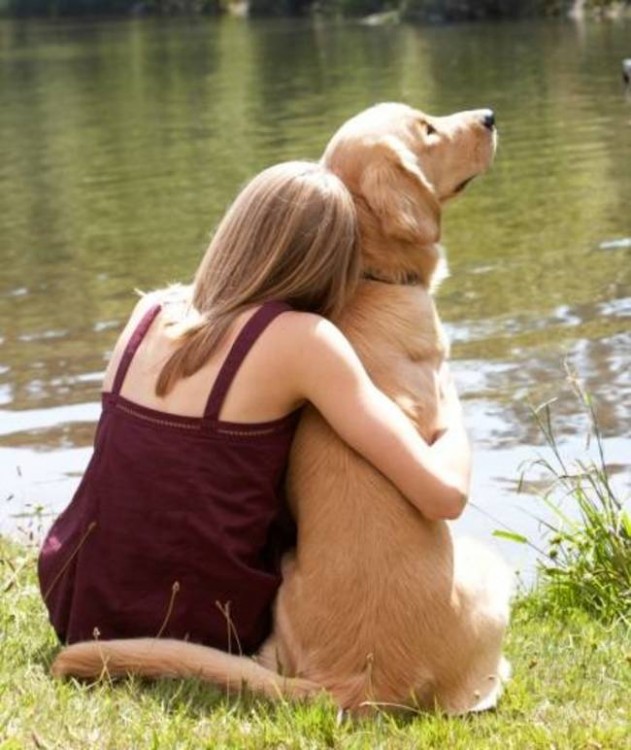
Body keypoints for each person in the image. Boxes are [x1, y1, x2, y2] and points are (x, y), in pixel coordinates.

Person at [38, 161, 470, 656]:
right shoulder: (303, 341)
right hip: (199, 621)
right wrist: (449, 410)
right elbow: (444, 497)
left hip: (78, 600)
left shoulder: (150, 310)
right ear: (335, 262)